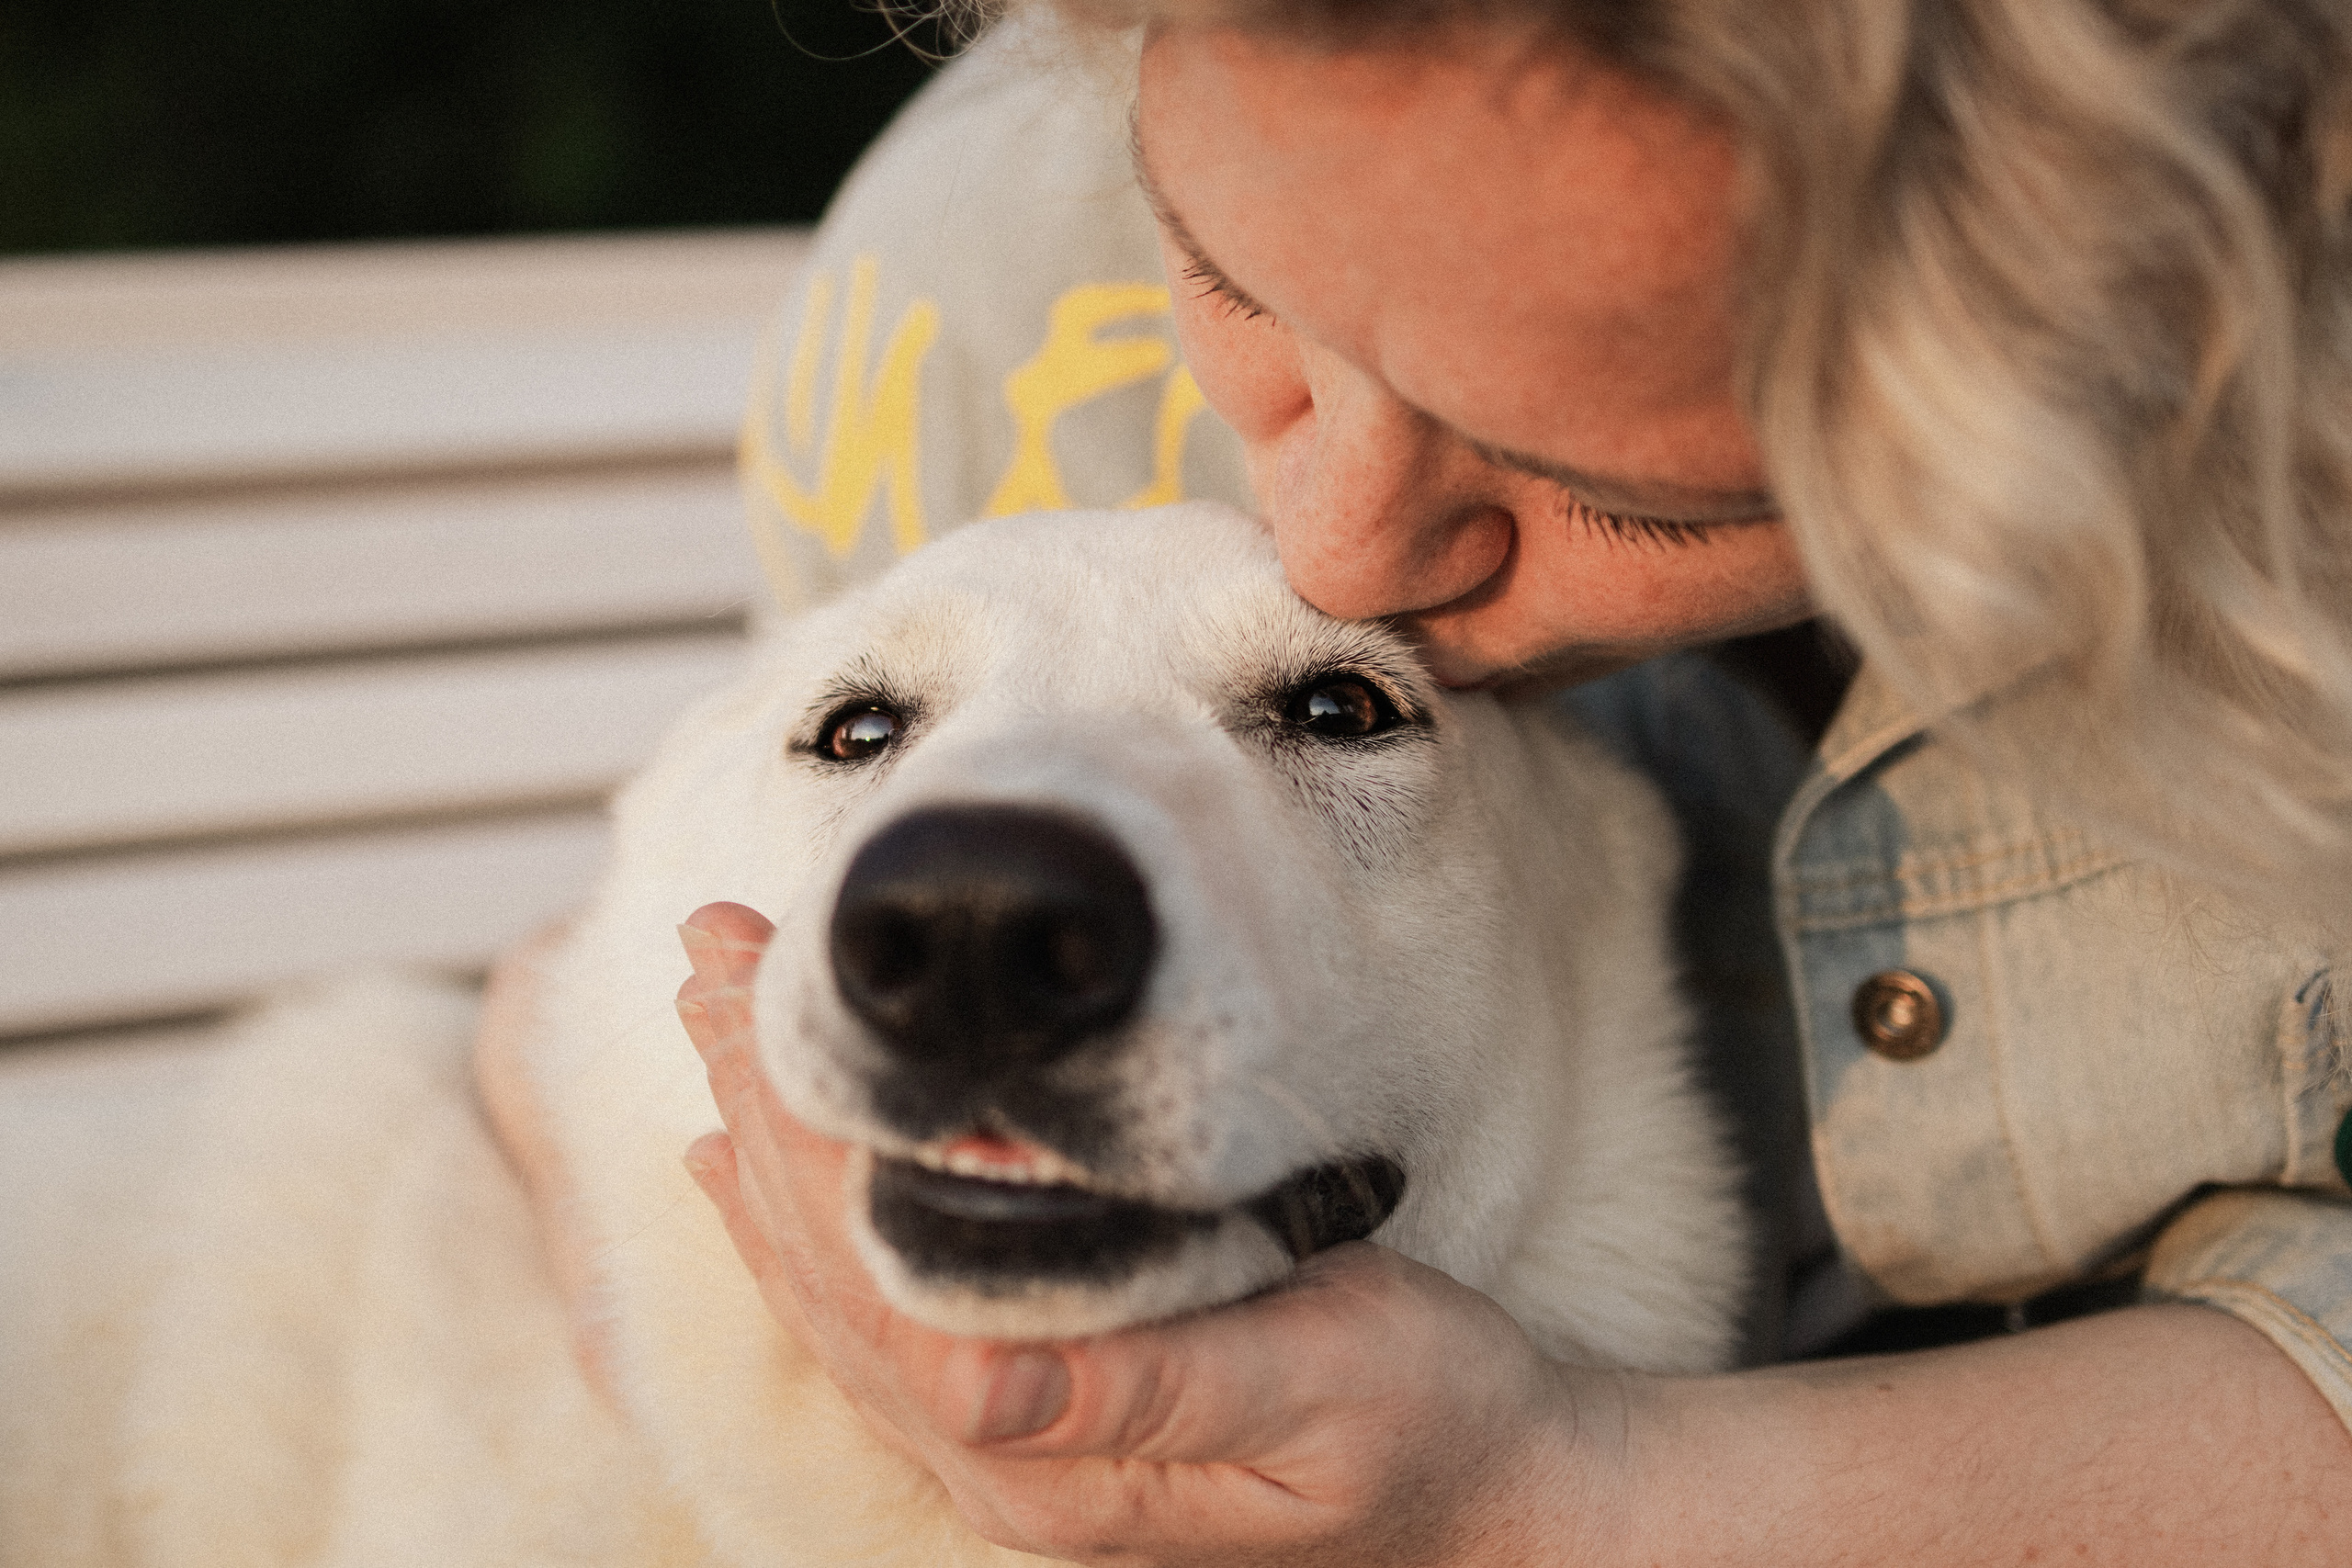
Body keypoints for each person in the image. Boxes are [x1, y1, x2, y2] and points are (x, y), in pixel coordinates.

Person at [496, 1, 2352, 1561]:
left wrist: (1556, 1497)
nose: (1334, 542)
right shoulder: (979, 284)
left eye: (1611, 487)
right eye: (1232, 285)